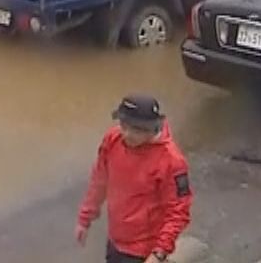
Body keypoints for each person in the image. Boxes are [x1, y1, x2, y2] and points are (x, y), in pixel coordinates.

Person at [75, 95, 193, 262]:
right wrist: (85, 218)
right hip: (115, 242)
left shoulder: (171, 162)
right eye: (124, 126)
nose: (127, 134)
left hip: (145, 251)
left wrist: (159, 252)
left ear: (152, 128)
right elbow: (100, 179)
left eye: (137, 130)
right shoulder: (113, 139)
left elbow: (178, 212)